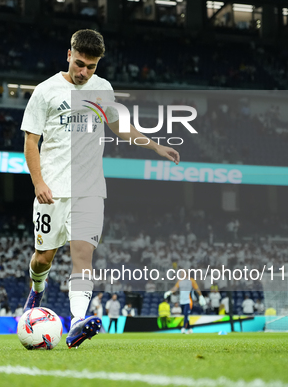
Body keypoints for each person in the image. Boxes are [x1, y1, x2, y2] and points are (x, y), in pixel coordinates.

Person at [21, 29, 180, 349]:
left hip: (91, 189)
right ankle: (37, 290)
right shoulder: (45, 91)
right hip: (52, 190)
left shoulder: (102, 89)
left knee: (83, 255)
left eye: (91, 67)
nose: (84, 72)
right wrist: (38, 182)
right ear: (69, 55)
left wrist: (155, 146)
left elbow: (120, 127)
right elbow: (30, 141)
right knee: (43, 258)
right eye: (79, 64)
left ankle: (77, 320)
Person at [166, 269, 206, 334]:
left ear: (186, 273)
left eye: (182, 273)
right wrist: (169, 292)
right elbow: (175, 288)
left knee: (185, 314)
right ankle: (190, 328)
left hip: (188, 300)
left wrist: (201, 296)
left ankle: (183, 328)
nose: (181, 274)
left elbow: (197, 288)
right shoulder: (180, 281)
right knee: (185, 315)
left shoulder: (191, 280)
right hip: (182, 301)